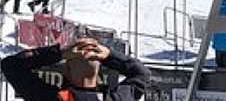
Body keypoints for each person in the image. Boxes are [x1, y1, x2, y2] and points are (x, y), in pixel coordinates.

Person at [1, 37, 149, 101]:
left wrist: (59, 53)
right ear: (98, 70)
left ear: (66, 69)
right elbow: (142, 73)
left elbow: (11, 65)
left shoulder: (53, 98)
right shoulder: (115, 98)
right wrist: (110, 55)